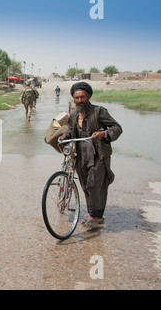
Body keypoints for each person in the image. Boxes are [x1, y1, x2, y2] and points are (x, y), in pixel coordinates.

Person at [59, 82, 122, 229]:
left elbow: (117, 128)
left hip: (98, 155)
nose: (79, 100)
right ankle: (92, 215)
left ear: (88, 96)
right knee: (86, 185)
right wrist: (64, 136)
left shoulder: (99, 111)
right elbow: (70, 129)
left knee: (95, 185)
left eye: (82, 97)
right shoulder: (74, 114)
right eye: (77, 98)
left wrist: (104, 134)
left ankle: (96, 217)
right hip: (81, 155)